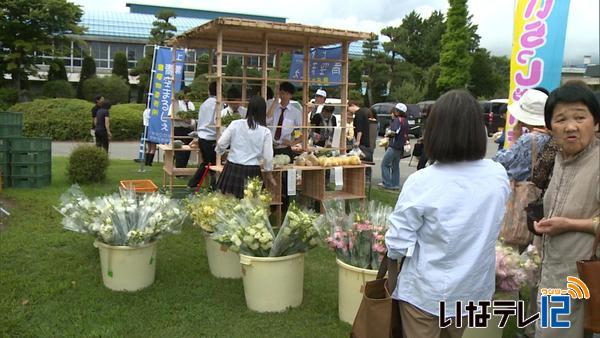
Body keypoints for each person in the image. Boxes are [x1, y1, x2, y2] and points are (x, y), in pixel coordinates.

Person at [385, 90, 510, 338]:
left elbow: (398, 243)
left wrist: (391, 265)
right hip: (472, 289)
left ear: (434, 130)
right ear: (478, 129)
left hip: (425, 292)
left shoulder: (423, 181)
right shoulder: (497, 175)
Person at [533, 84, 599, 338]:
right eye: (561, 119)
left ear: (595, 122)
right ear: (550, 127)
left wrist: (569, 224)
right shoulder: (561, 159)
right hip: (553, 274)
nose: (571, 126)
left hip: (581, 279)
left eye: (580, 117)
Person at [215, 95, 274, 198]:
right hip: (252, 170)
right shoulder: (265, 131)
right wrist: (268, 172)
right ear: (263, 111)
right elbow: (268, 157)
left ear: (249, 108)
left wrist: (222, 153)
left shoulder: (235, 124)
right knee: (251, 205)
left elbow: (221, 143)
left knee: (227, 205)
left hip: (232, 167)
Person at [493, 88, 550, 182]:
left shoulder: (528, 139)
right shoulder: (552, 136)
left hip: (525, 192)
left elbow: (500, 162)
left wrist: (514, 139)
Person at [188, 81, 217, 189]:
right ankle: (196, 184)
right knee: (211, 164)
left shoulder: (204, 103)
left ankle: (196, 184)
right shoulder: (218, 104)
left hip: (202, 136)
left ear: (209, 91)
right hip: (211, 137)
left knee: (208, 163)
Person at [267, 81, 302, 159]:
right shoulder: (272, 105)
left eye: (287, 94)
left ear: (291, 95)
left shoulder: (295, 112)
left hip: (284, 148)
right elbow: (267, 120)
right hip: (269, 147)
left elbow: (299, 130)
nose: (284, 96)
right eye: (282, 93)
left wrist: (292, 143)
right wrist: (275, 101)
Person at [379, 103, 409, 190]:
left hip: (393, 146)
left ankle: (387, 184)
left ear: (398, 111)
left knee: (384, 164)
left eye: (395, 110)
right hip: (400, 147)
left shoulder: (397, 120)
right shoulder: (405, 121)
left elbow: (394, 132)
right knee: (395, 166)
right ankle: (395, 184)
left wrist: (387, 135)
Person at [172, 90, 196, 168]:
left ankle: (183, 168)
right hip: (179, 129)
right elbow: (174, 116)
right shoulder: (177, 103)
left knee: (187, 149)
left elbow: (193, 116)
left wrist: (191, 122)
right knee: (179, 150)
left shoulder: (191, 104)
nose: (188, 98)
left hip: (189, 129)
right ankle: (179, 170)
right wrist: (185, 120)